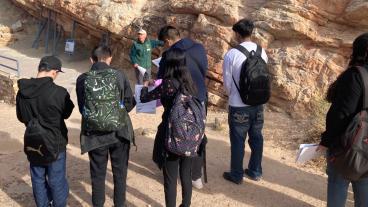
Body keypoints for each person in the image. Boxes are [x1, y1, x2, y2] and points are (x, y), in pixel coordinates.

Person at [76, 46, 136, 207]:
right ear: (110, 58)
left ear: (91, 59)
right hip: (119, 133)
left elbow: (83, 108)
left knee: (97, 175)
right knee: (120, 173)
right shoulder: (120, 76)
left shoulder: (82, 79)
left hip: (94, 135)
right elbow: (130, 103)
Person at [140, 48, 198, 207]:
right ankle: (186, 205)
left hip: (171, 132)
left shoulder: (168, 83)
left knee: (170, 178)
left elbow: (144, 98)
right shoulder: (190, 82)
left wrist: (146, 85)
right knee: (186, 174)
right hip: (190, 133)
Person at [16, 56, 74, 207]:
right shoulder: (60, 92)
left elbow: (21, 117)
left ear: (40, 68)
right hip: (56, 142)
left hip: (33, 141)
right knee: (56, 180)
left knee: (37, 178)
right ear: (54, 72)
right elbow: (67, 113)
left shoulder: (22, 92)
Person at [318, 33, 368, 207]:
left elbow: (341, 114)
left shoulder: (355, 76)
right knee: (364, 185)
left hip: (346, 145)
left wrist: (326, 141)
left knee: (338, 183)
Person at [157, 25, 208, 189]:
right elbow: (203, 71)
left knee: (172, 132)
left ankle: (172, 169)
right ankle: (195, 176)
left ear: (167, 41)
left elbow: (163, 80)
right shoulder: (200, 48)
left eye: (164, 43)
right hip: (199, 98)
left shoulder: (169, 54)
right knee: (197, 134)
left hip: (177, 101)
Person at [222, 19, 268, 184]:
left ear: (237, 34)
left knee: (238, 141)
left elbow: (227, 85)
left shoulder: (231, 54)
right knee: (257, 138)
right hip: (258, 104)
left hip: (238, 106)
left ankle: (236, 174)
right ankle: (255, 171)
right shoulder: (262, 51)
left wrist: (233, 96)